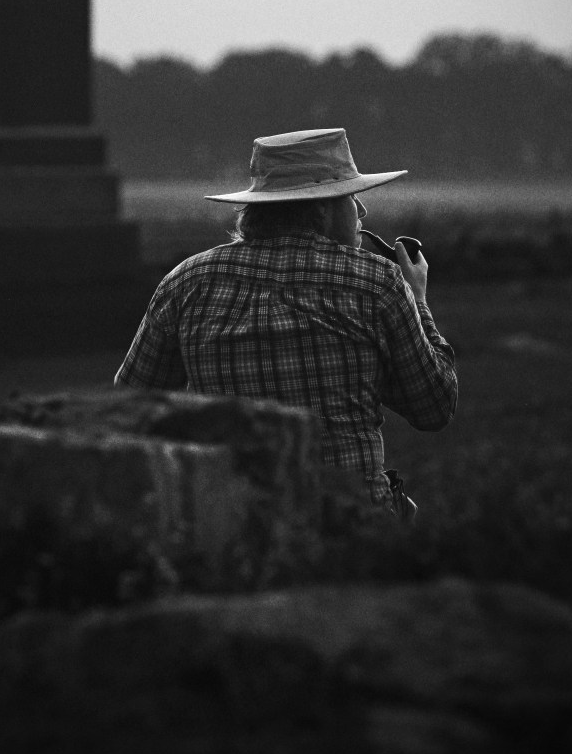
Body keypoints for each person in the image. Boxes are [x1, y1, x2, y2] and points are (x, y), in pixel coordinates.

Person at [114, 127, 458, 517]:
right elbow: (434, 408)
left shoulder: (185, 282)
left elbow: (128, 408)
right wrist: (418, 301)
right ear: (322, 208)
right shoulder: (378, 283)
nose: (361, 211)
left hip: (233, 522)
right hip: (355, 521)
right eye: (351, 197)